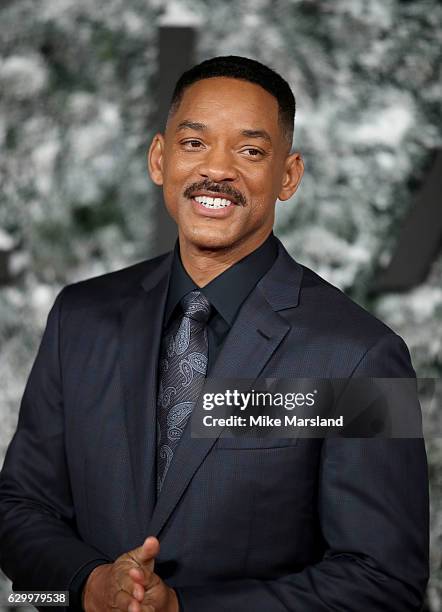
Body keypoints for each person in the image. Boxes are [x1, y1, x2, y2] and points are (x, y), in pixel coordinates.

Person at [0, 56, 429, 611]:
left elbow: (384, 579)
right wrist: (88, 585)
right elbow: (19, 505)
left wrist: (181, 608)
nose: (217, 171)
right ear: (160, 159)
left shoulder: (362, 354)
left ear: (289, 176)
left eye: (250, 151)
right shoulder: (79, 318)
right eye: (195, 144)